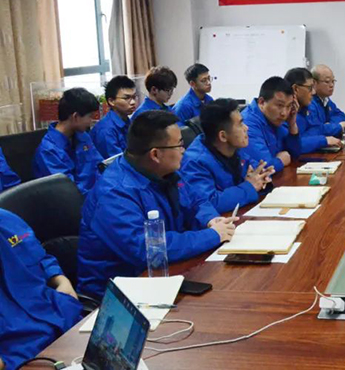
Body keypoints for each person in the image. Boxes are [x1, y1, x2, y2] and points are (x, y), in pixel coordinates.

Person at [77, 110, 235, 298]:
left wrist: (211, 220)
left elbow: (196, 200)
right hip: (120, 294)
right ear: (155, 154)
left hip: (165, 274)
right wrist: (211, 236)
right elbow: (148, 250)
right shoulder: (114, 193)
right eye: (179, 145)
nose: (184, 150)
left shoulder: (164, 171)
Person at [0, 208, 82, 370]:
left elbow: (39, 256)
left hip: (61, 317)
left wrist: (60, 280)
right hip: (18, 352)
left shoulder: (7, 220)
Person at [180, 98, 273, 212]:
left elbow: (252, 167)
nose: (246, 128)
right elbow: (209, 203)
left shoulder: (234, 147)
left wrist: (262, 176)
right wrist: (250, 187)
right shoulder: (195, 162)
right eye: (240, 124)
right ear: (223, 136)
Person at [33, 88, 103, 196]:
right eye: (90, 117)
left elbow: (100, 165)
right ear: (75, 117)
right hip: (75, 202)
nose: (91, 122)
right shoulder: (48, 151)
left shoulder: (83, 136)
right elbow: (69, 192)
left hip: (96, 195)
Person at [240, 77, 301, 173]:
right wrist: (280, 161)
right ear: (261, 102)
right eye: (280, 105)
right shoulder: (248, 123)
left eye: (289, 106)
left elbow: (294, 154)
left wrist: (292, 124)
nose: (284, 113)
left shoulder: (275, 119)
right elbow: (262, 168)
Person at [286, 67, 341, 153]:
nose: (313, 92)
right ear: (296, 89)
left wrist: (310, 136)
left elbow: (318, 129)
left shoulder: (305, 108)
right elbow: (294, 145)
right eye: (310, 88)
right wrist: (323, 140)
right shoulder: (285, 113)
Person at [91, 75, 138, 159]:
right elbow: (115, 163)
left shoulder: (128, 122)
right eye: (127, 98)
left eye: (134, 97)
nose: (133, 102)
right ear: (111, 101)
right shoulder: (106, 130)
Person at [307, 64, 345, 137]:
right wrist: (338, 127)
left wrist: (330, 125)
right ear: (314, 83)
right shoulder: (310, 103)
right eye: (327, 81)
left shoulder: (326, 99)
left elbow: (341, 115)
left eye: (333, 81)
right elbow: (318, 130)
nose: (331, 85)